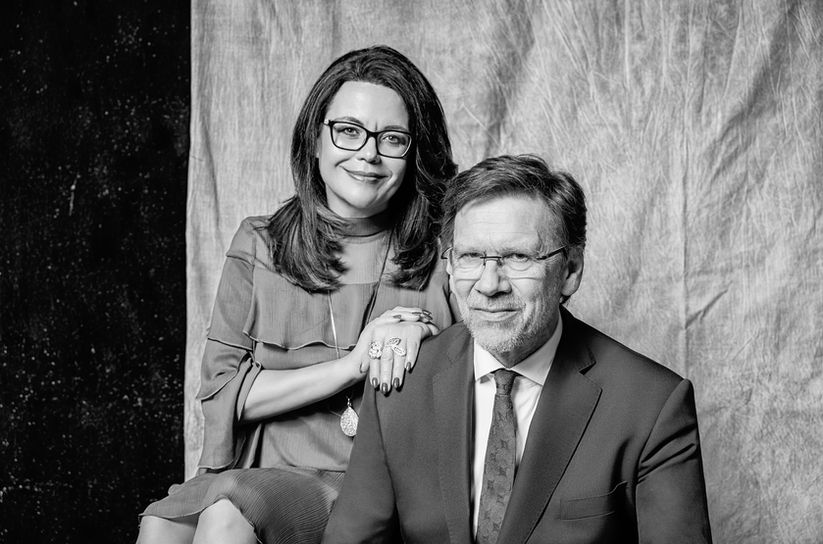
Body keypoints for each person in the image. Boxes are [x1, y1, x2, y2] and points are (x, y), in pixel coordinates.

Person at [137, 45, 459, 544]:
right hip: (266, 471)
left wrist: (432, 342)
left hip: (380, 485)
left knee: (228, 512)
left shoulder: (449, 254)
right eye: (348, 131)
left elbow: (478, 392)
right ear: (315, 139)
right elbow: (224, 395)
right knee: (163, 525)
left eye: (392, 139)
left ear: (415, 154)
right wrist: (352, 365)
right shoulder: (259, 243)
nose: (368, 154)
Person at [322, 154, 712, 543]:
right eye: (471, 256)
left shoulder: (651, 405)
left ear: (570, 270)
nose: (489, 285)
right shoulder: (400, 383)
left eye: (518, 257)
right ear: (451, 266)